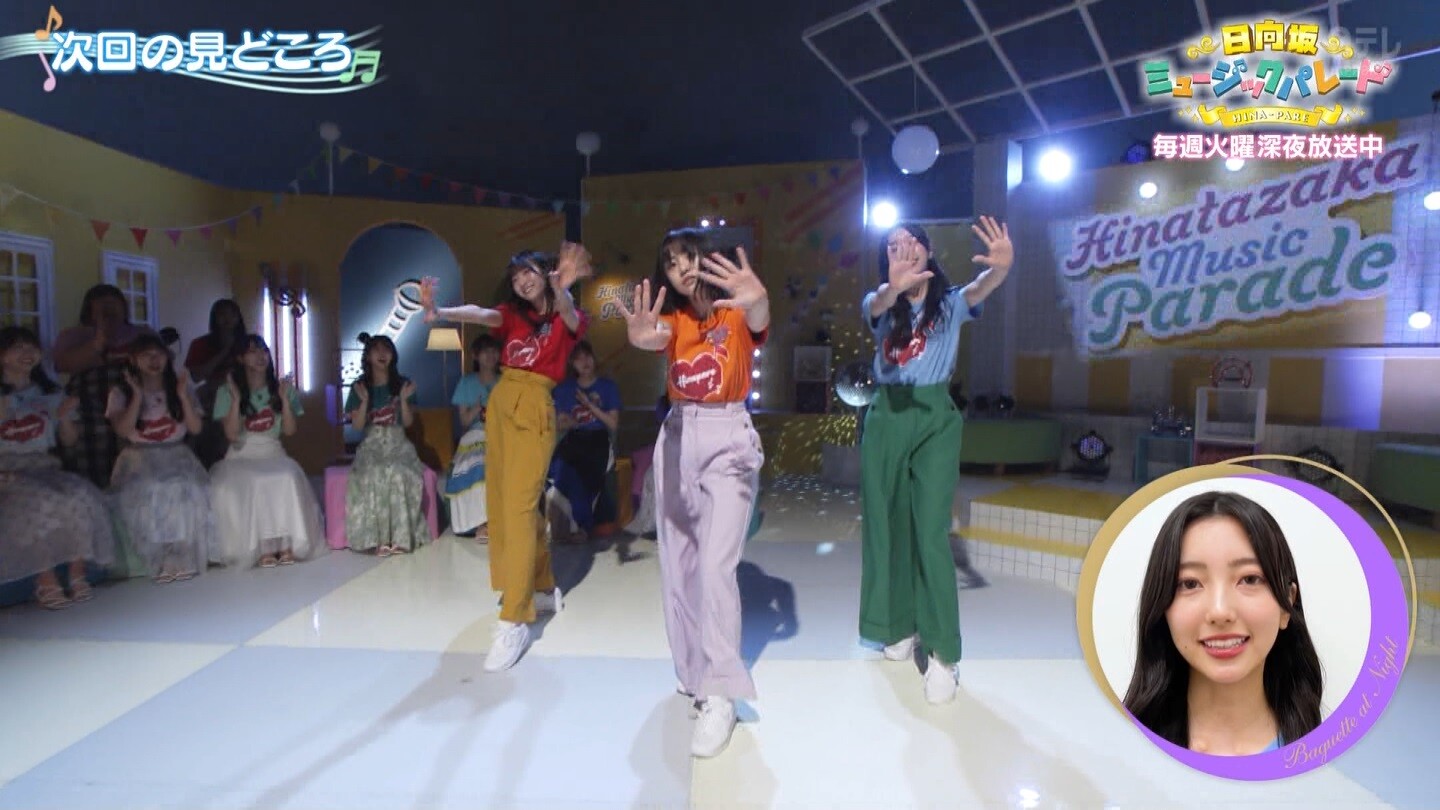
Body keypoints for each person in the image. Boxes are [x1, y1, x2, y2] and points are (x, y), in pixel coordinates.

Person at [616, 229, 769, 758]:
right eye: (671, 262)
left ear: (707, 260)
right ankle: (694, 674)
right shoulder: (675, 320)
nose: (682, 267)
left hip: (728, 437)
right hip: (679, 435)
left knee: (715, 567)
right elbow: (653, 337)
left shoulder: (736, 310)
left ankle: (722, 691)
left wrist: (758, 297)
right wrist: (640, 336)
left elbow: (759, 315)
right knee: (679, 566)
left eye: (689, 257)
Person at [859, 217, 1013, 704]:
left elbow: (980, 286)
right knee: (887, 526)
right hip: (886, 416)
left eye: (911, 242)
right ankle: (896, 626)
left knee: (929, 531)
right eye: (892, 245)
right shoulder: (880, 303)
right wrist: (891, 289)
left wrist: (1001, 269)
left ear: (927, 251)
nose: (903, 248)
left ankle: (944, 653)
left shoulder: (950, 303)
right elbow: (877, 304)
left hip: (933, 418)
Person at [420, 243, 592, 673]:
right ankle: (542, 586)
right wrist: (440, 311)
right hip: (501, 404)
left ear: (546, 274)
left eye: (528, 272)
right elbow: (481, 314)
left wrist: (562, 288)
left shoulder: (567, 315)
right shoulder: (513, 316)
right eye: (515, 277)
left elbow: (569, 314)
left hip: (534, 405)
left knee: (518, 508)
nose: (521, 281)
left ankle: (514, 616)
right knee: (504, 506)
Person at [1123, 490, 1323, 756]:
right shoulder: (1124, 751)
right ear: (1163, 609)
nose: (1220, 611)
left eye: (1249, 579)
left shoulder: (1326, 754)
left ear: (1287, 605)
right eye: (1190, 583)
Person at [0, 326, 116, 608]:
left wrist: (64, 417)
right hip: (7, 469)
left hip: (44, 465)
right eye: (18, 347)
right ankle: (45, 579)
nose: (27, 353)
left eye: (31, 347)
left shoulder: (50, 393)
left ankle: (77, 573)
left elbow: (70, 440)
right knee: (40, 500)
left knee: (80, 493)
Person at [208, 335, 325, 568]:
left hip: (272, 451)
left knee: (287, 476)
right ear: (240, 358)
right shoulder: (226, 391)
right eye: (252, 351)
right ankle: (263, 547)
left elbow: (289, 430)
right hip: (241, 454)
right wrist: (236, 400)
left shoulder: (281, 389)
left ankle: (285, 543)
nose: (260, 356)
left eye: (263, 350)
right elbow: (232, 435)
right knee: (255, 481)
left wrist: (284, 400)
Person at [105, 334, 213, 583]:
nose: (154, 360)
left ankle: (181, 554)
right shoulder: (120, 392)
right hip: (138, 458)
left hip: (177, 454)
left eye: (159, 354)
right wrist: (136, 396)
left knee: (184, 486)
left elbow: (195, 428)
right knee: (154, 488)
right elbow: (122, 430)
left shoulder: (180, 387)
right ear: (133, 359)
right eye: (146, 355)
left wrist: (183, 396)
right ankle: (161, 556)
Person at [52, 284, 154, 488]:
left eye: (114, 304)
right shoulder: (73, 335)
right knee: (88, 432)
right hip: (88, 397)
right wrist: (99, 339)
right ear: (89, 309)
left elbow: (159, 364)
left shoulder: (143, 333)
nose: (109, 310)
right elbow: (62, 364)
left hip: (133, 393)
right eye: (102, 305)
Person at [344, 334, 430, 557]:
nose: (382, 354)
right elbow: (357, 426)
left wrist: (403, 400)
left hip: (398, 442)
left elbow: (408, 423)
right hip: (371, 444)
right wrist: (364, 401)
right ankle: (378, 538)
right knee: (374, 471)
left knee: (398, 471)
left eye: (387, 349)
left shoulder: (403, 384)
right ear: (368, 356)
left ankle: (401, 538)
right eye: (377, 350)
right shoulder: (359, 386)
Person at [547, 340, 622, 544]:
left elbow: (612, 423)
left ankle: (583, 527)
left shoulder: (607, 386)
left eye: (587, 356)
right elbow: (559, 424)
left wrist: (589, 405)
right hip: (573, 438)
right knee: (559, 471)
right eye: (578, 358)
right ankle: (565, 525)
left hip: (598, 439)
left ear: (594, 358)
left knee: (586, 476)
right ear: (572, 363)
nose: (584, 362)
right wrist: (569, 422)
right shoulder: (565, 389)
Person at [445, 334, 501, 540]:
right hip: (475, 436)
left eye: (494, 351)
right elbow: (464, 421)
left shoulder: (505, 382)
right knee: (478, 464)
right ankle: (481, 523)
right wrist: (476, 409)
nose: (490, 355)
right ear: (476, 356)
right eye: (485, 351)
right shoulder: (466, 382)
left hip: (501, 436)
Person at [185, 299, 248, 468]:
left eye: (232, 314)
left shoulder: (248, 344)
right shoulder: (201, 344)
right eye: (222, 314)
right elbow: (196, 376)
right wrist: (225, 350)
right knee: (210, 446)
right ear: (214, 318)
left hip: (243, 396)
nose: (227, 319)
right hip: (211, 397)